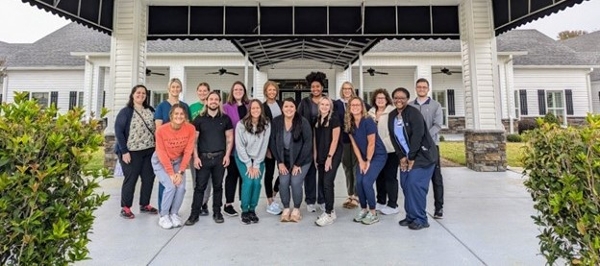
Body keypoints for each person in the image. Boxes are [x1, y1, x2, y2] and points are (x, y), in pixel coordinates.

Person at [388, 87, 439, 230]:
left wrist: (411, 157)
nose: (399, 100)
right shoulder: (392, 115)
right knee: (405, 184)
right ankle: (411, 216)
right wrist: (401, 157)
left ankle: (421, 219)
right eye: (396, 97)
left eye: (402, 98)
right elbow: (394, 138)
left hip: (422, 156)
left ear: (407, 99)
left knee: (415, 185)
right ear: (393, 99)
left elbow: (418, 136)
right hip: (406, 156)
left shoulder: (413, 113)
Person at [186, 91, 233, 225]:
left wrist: (227, 156)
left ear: (219, 102)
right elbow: (194, 141)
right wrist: (195, 157)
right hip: (203, 158)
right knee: (199, 187)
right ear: (206, 102)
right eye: (210, 99)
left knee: (218, 187)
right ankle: (194, 214)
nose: (213, 101)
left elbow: (230, 138)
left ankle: (217, 212)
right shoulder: (199, 119)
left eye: (216, 99)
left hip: (220, 158)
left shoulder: (225, 119)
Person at [114, 85, 157, 219]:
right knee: (131, 179)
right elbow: (119, 131)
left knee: (148, 178)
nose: (141, 95)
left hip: (149, 150)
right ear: (132, 95)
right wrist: (124, 151)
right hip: (131, 152)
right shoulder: (126, 111)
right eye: (138, 93)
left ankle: (145, 204)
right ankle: (125, 207)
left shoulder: (150, 110)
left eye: (144, 93)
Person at [152, 104, 196, 229]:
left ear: (185, 116)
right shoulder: (161, 130)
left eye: (181, 114)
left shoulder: (190, 129)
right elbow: (161, 152)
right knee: (170, 186)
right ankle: (164, 216)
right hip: (160, 161)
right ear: (171, 116)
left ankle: (174, 213)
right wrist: (171, 174)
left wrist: (180, 172)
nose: (179, 116)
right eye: (176, 114)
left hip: (178, 161)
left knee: (181, 187)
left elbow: (188, 151)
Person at [346, 97, 387, 225]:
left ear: (362, 106)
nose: (355, 107)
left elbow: (371, 143)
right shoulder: (349, 122)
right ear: (349, 107)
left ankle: (373, 212)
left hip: (377, 155)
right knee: (358, 182)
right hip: (363, 157)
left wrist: (367, 161)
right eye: (352, 105)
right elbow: (354, 145)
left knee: (367, 181)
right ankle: (363, 209)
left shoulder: (368, 121)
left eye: (358, 104)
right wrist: (361, 161)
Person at [270, 98, 313, 223]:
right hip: (283, 159)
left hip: (302, 159)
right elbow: (272, 142)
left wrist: (298, 163)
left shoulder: (302, 122)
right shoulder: (277, 122)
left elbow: (308, 143)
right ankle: (286, 208)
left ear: (295, 108)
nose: (289, 109)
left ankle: (296, 209)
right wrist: (280, 162)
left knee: (295, 182)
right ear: (282, 108)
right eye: (286, 107)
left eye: (291, 107)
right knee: (283, 182)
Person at [154, 78, 191, 213]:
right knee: (167, 183)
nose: (175, 89)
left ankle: (174, 211)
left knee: (178, 183)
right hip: (165, 150)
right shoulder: (161, 106)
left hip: (179, 151)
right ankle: (163, 210)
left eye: (178, 87)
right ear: (168, 89)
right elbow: (158, 128)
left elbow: (187, 127)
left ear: (180, 89)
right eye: (173, 87)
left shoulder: (185, 106)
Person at [409, 78, 444, 219]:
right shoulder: (410, 105)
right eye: (419, 87)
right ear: (416, 89)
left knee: (436, 178)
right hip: (414, 148)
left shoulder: (436, 105)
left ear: (428, 89)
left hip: (431, 147)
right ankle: (415, 208)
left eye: (424, 87)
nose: (421, 89)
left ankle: (439, 208)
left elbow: (438, 125)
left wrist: (424, 137)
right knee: (415, 179)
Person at [235, 99, 271, 225]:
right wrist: (249, 165)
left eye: (258, 108)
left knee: (257, 182)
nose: (255, 110)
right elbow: (240, 147)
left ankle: (252, 209)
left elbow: (264, 146)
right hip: (242, 158)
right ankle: (244, 210)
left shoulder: (266, 124)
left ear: (261, 110)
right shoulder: (241, 125)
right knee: (249, 181)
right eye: (253, 108)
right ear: (249, 110)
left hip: (258, 158)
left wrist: (256, 164)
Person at [368, 88, 400, 215]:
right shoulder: (370, 112)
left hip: (390, 149)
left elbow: (395, 131)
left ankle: (393, 204)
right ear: (374, 100)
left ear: (387, 99)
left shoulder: (392, 112)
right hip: (376, 150)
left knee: (390, 177)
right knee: (379, 176)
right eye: (378, 98)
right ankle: (381, 201)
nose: (380, 100)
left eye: (382, 98)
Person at [297, 71, 325, 212]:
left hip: (323, 140)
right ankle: (310, 200)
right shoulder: (304, 103)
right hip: (308, 140)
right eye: (313, 87)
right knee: (310, 171)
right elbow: (298, 121)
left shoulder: (327, 101)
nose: (315, 89)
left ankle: (322, 199)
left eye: (318, 86)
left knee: (323, 171)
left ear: (322, 87)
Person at [313, 97, 342, 227]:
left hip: (332, 154)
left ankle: (329, 213)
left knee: (327, 182)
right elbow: (315, 140)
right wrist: (315, 156)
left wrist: (330, 157)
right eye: (322, 104)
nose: (324, 106)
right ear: (319, 106)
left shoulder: (334, 119)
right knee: (322, 182)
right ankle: (330, 210)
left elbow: (335, 140)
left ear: (330, 107)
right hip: (321, 154)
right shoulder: (317, 120)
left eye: (327, 104)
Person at [222, 81, 249, 217]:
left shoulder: (249, 106)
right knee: (232, 175)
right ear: (232, 91)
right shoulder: (226, 107)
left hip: (247, 148)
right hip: (232, 148)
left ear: (244, 91)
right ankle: (228, 204)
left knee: (244, 176)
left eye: (241, 89)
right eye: (236, 89)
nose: (238, 91)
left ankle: (243, 202)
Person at [333, 82, 360, 209]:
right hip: (342, 141)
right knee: (347, 167)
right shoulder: (337, 104)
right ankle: (350, 194)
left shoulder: (357, 102)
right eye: (345, 89)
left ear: (352, 90)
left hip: (356, 139)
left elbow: (369, 111)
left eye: (349, 89)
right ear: (342, 90)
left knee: (356, 167)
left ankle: (356, 195)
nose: (347, 91)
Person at [188, 82, 212, 216]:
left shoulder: (213, 106)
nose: (203, 93)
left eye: (205, 91)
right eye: (200, 91)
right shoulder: (192, 108)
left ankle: (205, 203)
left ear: (209, 92)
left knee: (208, 179)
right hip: (195, 147)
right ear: (197, 92)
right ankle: (198, 202)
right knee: (196, 178)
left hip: (209, 148)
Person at [262, 80, 283, 215]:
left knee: (283, 172)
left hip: (282, 143)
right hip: (269, 144)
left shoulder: (281, 105)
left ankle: (275, 193)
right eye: (269, 90)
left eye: (274, 90)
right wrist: (267, 148)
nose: (272, 92)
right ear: (265, 91)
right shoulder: (262, 107)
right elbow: (263, 128)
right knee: (269, 174)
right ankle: (270, 201)